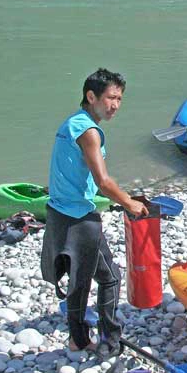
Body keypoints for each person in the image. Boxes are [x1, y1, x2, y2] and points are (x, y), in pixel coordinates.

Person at [40, 68, 146, 355]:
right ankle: (110, 340)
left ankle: (78, 339)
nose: (115, 105)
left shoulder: (71, 123)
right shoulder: (89, 131)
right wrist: (129, 202)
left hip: (58, 213)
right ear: (91, 96)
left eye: (120, 99)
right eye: (111, 97)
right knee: (109, 277)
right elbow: (103, 181)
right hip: (80, 218)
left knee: (79, 281)